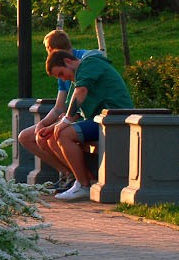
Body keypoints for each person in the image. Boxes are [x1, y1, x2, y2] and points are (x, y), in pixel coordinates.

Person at [42, 49, 135, 202]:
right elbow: (76, 110)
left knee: (64, 135)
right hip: (100, 120)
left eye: (61, 73)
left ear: (68, 61)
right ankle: (87, 180)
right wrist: (52, 127)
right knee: (53, 137)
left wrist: (66, 121)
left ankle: (83, 186)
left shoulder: (90, 64)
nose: (63, 79)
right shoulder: (78, 76)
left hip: (115, 119)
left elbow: (81, 92)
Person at [20, 30, 105, 185]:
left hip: (83, 117)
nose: (63, 78)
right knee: (26, 137)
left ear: (52, 50)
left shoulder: (81, 62)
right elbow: (59, 107)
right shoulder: (61, 69)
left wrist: (62, 120)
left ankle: (83, 181)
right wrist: (43, 123)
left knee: (57, 134)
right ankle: (69, 174)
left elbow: (81, 98)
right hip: (69, 116)